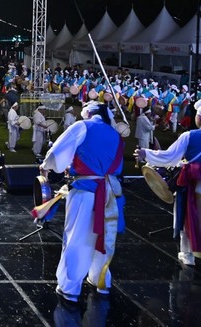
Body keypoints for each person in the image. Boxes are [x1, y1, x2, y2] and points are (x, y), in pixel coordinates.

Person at [39, 101, 125, 303]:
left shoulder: (83, 126)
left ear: (88, 113)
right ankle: (100, 280)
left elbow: (57, 153)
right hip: (109, 193)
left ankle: (70, 287)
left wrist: (46, 166)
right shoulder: (116, 135)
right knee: (102, 237)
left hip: (85, 191)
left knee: (76, 236)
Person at [134, 99, 201, 267]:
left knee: (187, 216)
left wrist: (146, 154)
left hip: (194, 185)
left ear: (198, 118)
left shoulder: (189, 136)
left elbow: (169, 157)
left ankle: (188, 253)